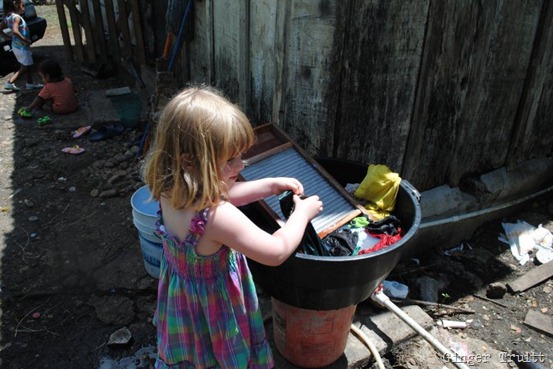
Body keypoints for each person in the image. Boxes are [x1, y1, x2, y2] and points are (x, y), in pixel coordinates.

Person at [142, 85, 323, 369]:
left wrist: (268, 186)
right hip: (217, 308)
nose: (241, 164)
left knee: (195, 356)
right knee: (221, 356)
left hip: (183, 304)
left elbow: (218, 193)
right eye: (229, 160)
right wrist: (302, 214)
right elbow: (275, 251)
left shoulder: (170, 188)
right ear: (189, 161)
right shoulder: (218, 217)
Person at [1, 0, 43, 91]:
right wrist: (26, 40)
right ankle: (10, 83)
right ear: (15, 4)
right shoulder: (16, 18)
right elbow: (15, 31)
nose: (24, 8)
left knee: (25, 64)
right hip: (22, 46)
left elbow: (1, 29)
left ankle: (30, 83)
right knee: (25, 67)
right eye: (22, 5)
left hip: (16, 46)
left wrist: (7, 37)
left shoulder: (7, 17)